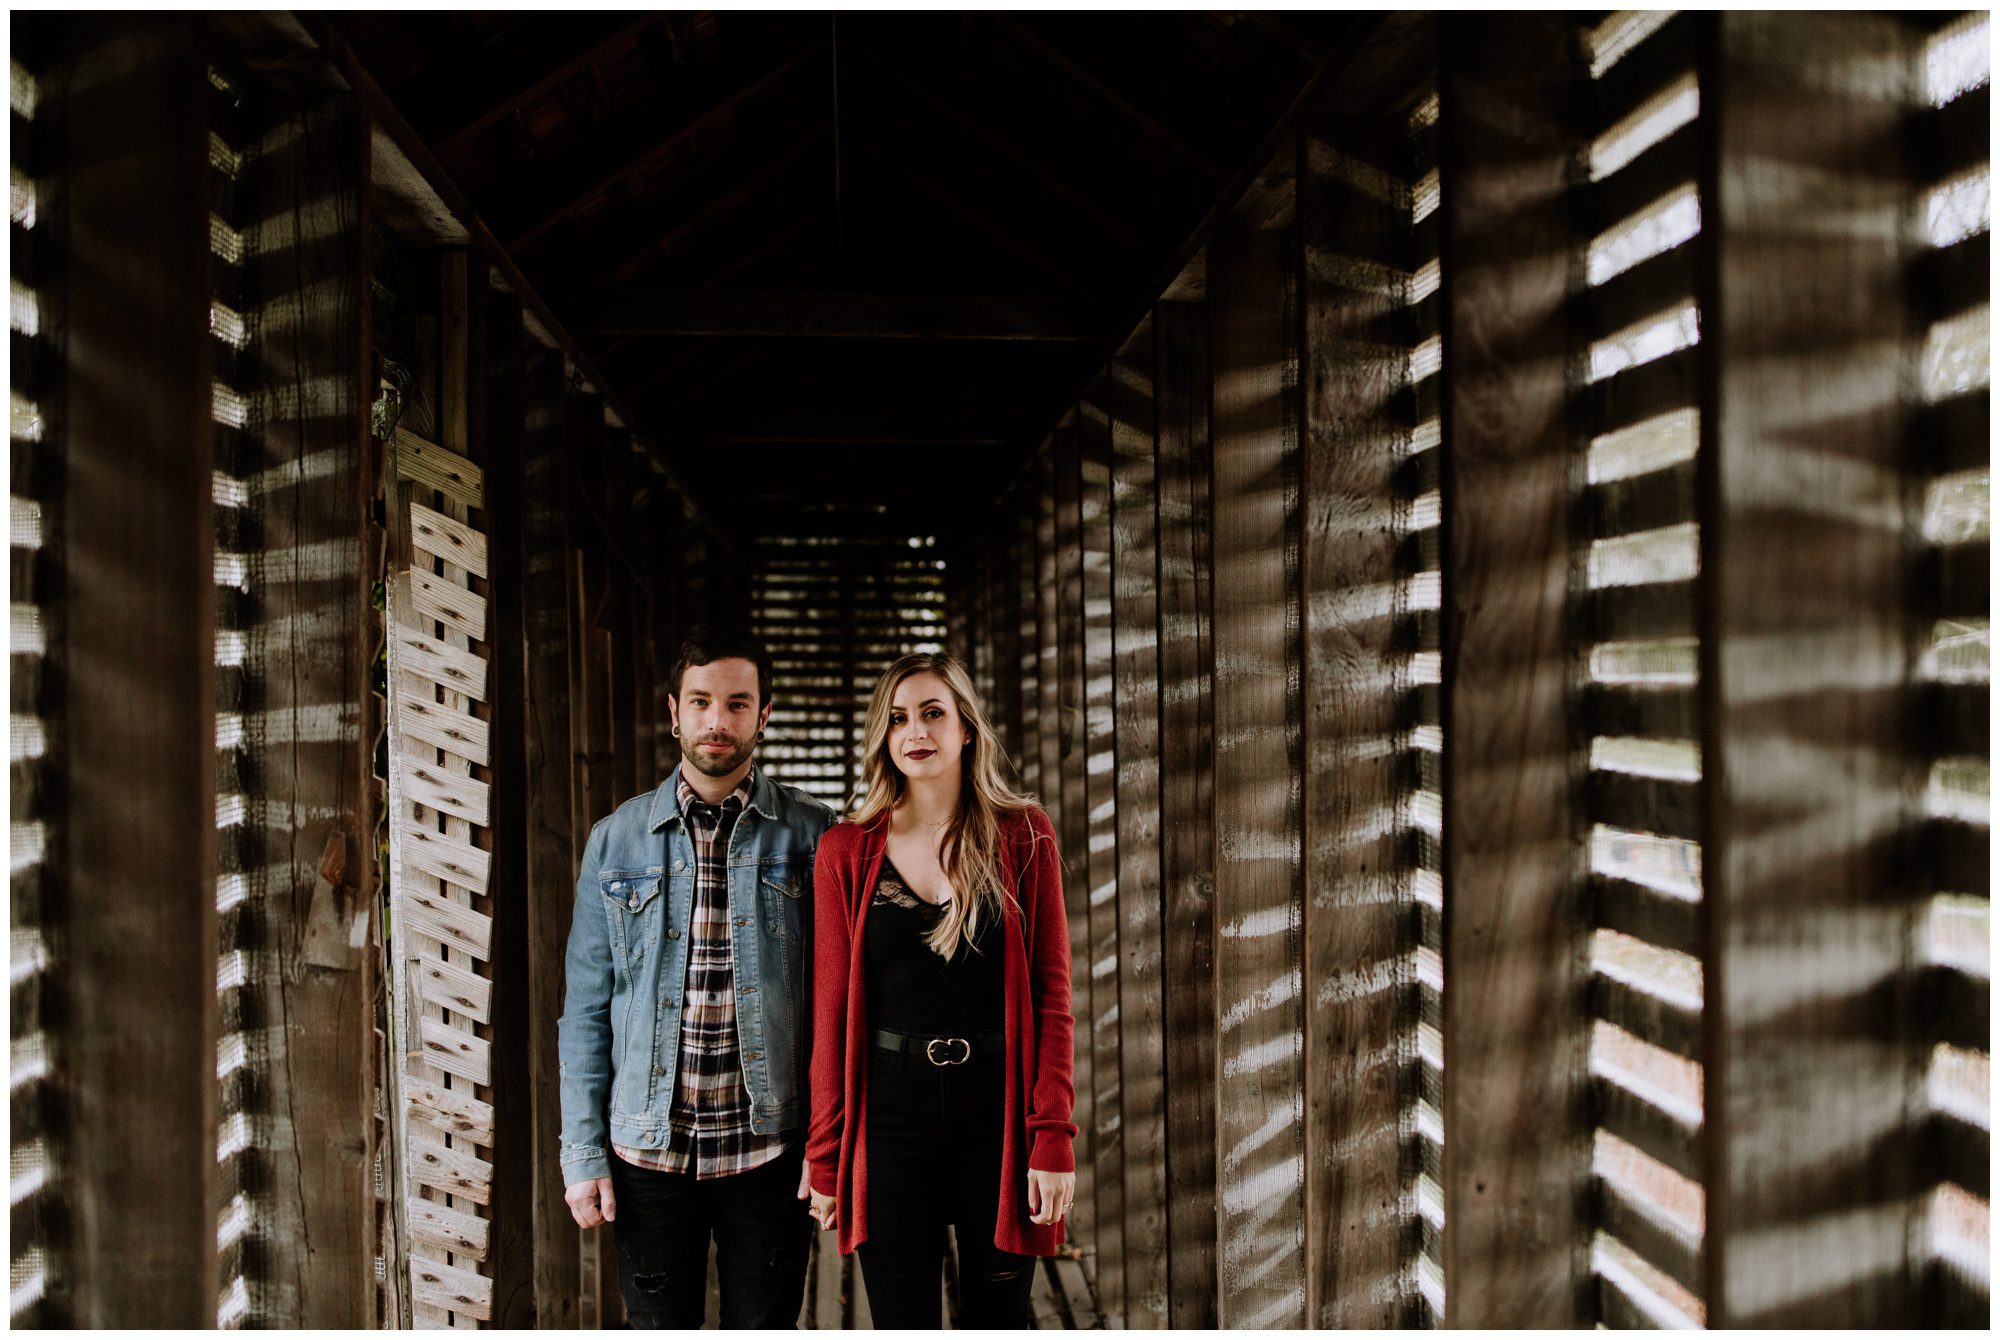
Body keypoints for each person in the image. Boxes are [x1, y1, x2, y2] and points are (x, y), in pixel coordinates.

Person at [558, 628, 835, 1328]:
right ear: (673, 712)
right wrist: (582, 1153)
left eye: (738, 704)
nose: (719, 721)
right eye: (702, 702)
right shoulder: (615, 840)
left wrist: (829, 1147)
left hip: (769, 1149)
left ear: (764, 715)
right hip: (648, 1152)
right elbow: (586, 1009)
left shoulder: (813, 836)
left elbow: (840, 1008)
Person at [805, 651, 1078, 1329]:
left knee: (1000, 1318)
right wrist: (824, 1154)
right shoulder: (847, 849)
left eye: (932, 712)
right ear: (883, 736)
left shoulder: (1024, 835)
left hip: (997, 1114)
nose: (915, 731)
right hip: (892, 1118)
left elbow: (1052, 997)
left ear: (966, 729)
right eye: (897, 718)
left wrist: (1052, 1138)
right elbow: (831, 1014)